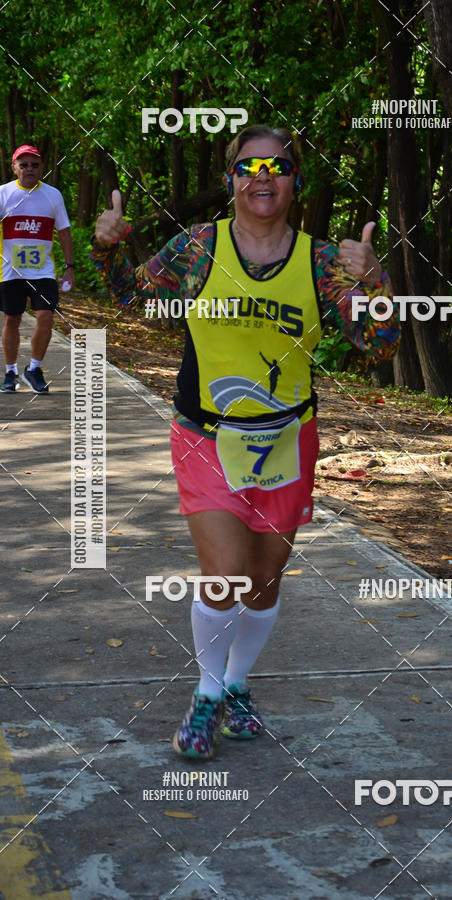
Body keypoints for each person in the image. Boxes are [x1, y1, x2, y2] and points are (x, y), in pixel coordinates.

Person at [91, 124, 401, 760]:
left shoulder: (320, 262)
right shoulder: (199, 248)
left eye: (278, 167)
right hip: (205, 434)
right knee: (225, 574)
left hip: (286, 439)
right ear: (231, 181)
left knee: (263, 579)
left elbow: (378, 349)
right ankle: (207, 695)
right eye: (248, 167)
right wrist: (109, 248)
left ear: (295, 184)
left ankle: (237, 686)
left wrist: (374, 283)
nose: (263, 177)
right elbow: (127, 298)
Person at [0, 145, 75, 393]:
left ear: (41, 167)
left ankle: (33, 368)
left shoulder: (53, 195)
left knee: (45, 316)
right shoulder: (3, 194)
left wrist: (69, 266)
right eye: (24, 165)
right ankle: (10, 372)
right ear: (14, 168)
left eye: (34, 165)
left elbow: (64, 231)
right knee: (12, 318)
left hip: (43, 271)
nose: (29, 169)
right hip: (10, 271)